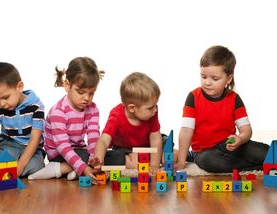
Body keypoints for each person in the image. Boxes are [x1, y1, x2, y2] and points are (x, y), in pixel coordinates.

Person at [175, 45, 269, 173]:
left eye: (215, 79)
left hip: (229, 143)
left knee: (264, 151)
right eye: (203, 77)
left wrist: (240, 139)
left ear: (228, 79)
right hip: (204, 151)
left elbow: (246, 129)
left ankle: (257, 162)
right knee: (214, 163)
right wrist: (181, 161)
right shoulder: (193, 97)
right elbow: (186, 131)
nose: (207, 82)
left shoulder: (234, 99)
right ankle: (257, 166)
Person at [28, 57, 104, 181]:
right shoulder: (58, 112)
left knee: (104, 153)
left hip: (79, 151)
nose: (86, 98)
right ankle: (60, 169)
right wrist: (84, 167)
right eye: (81, 92)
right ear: (67, 85)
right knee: (82, 156)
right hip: (59, 154)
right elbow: (63, 146)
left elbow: (93, 137)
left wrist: (94, 159)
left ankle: (74, 169)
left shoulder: (93, 109)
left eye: (91, 93)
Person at [89, 72, 163, 175]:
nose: (155, 109)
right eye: (151, 107)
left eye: (156, 105)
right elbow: (104, 140)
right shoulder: (116, 116)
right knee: (122, 158)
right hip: (124, 150)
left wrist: (155, 164)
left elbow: (155, 138)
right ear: (132, 108)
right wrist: (98, 159)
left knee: (169, 155)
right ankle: (135, 163)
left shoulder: (152, 112)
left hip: (146, 148)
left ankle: (145, 161)